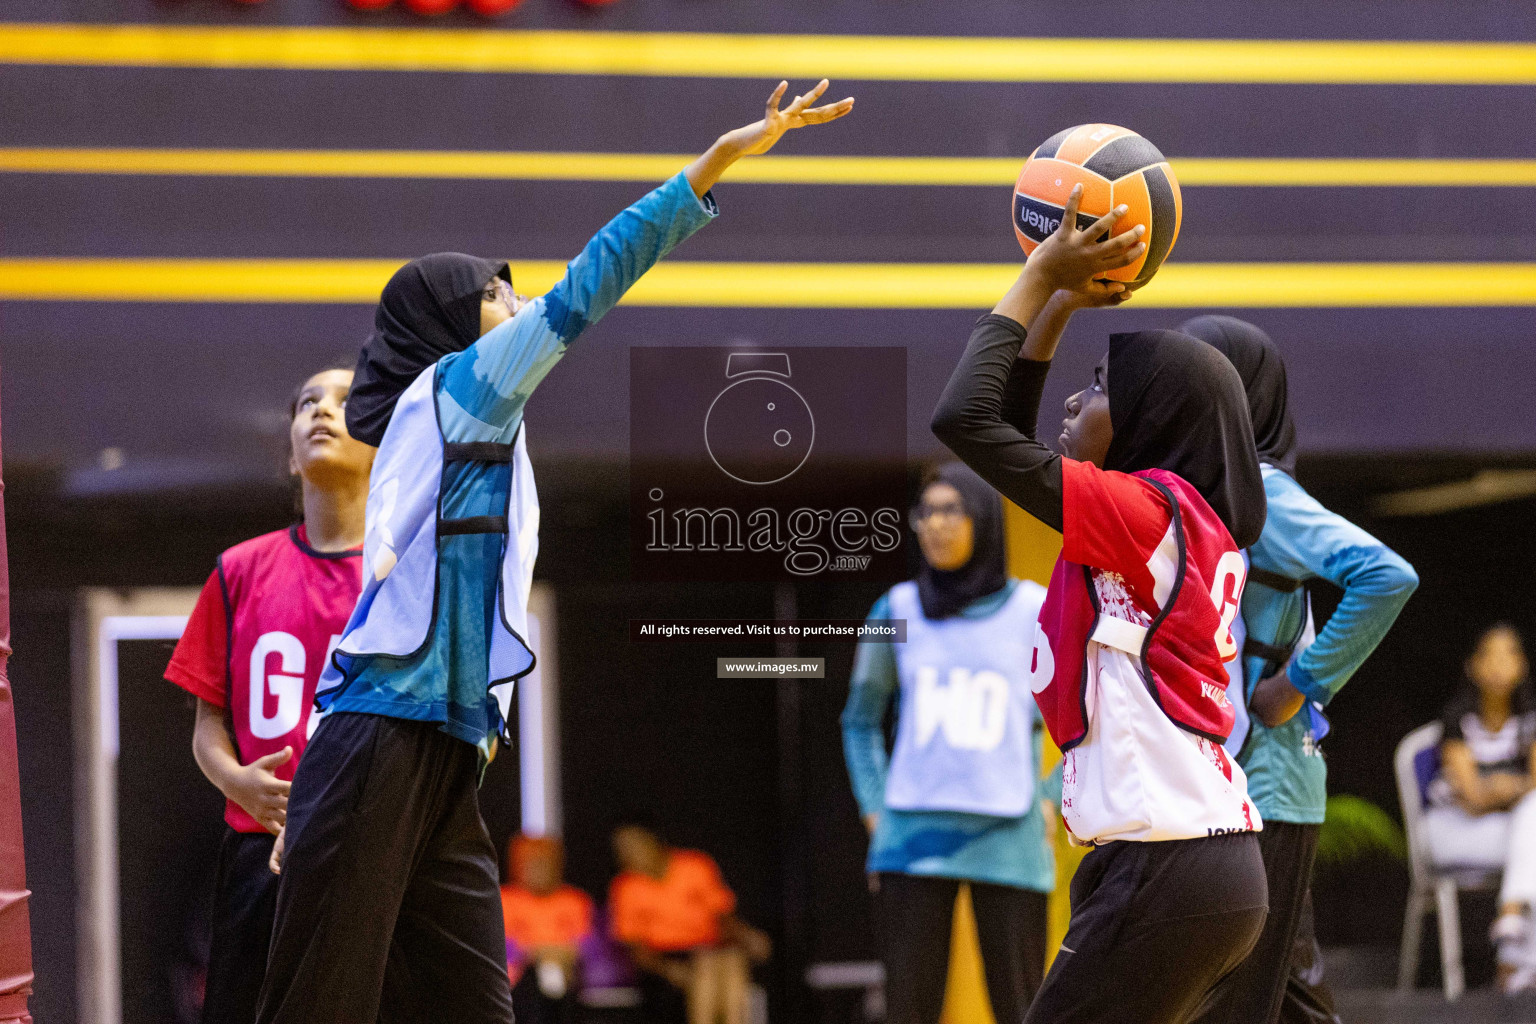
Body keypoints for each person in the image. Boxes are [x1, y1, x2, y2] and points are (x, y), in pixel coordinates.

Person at [255, 81, 854, 1024]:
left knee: (471, 1003)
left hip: (446, 747)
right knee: (319, 999)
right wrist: (715, 164)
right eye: (497, 291)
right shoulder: (466, 382)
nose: (519, 298)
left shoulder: (463, 410)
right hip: (385, 731)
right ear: (456, 320)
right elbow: (595, 277)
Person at [931, 184, 1270, 1024]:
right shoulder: (1165, 517)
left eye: (1099, 388)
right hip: (1186, 864)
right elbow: (1004, 430)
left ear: (1154, 421)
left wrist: (1041, 273)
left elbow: (964, 418)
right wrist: (1057, 303)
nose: (1074, 403)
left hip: (1170, 864)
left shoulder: (1143, 512)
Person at [1178, 315, 1418, 1024]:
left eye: (1199, 371)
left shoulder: (1265, 495)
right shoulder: (1209, 490)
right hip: (1243, 783)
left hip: (1264, 785)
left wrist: (1298, 684)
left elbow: (1387, 575)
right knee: (1292, 997)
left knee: (1244, 999)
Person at [163, 366, 371, 1024]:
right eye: (307, 402)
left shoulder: (404, 577)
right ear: (288, 454)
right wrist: (237, 783)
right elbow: (207, 726)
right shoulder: (238, 570)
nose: (320, 412)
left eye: (344, 401)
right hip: (258, 850)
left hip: (367, 849)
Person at [840, 460, 1056, 1024]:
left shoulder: (1033, 609)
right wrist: (874, 811)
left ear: (983, 519)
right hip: (912, 837)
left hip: (1009, 834)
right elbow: (860, 721)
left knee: (1024, 1008)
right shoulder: (898, 610)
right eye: (925, 512)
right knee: (909, 1009)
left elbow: (1090, 716)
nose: (935, 525)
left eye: (950, 510)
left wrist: (1054, 795)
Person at [1423, 622, 1536, 992]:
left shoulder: (1529, 721)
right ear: (1473, 665)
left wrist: (1505, 789)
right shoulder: (1457, 717)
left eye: (1509, 655)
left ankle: (1511, 954)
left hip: (1509, 832)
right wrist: (1511, 789)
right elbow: (1471, 798)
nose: (1499, 665)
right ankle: (1512, 942)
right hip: (1452, 828)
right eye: (1490, 654)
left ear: (1522, 666)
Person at [608, 824, 771, 1024]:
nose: (630, 854)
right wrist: (669, 969)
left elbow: (722, 915)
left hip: (709, 950)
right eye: (623, 849)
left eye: (634, 845)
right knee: (707, 971)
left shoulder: (695, 865)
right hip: (664, 959)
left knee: (729, 961)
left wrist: (746, 936)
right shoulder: (626, 887)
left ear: (654, 843)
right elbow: (636, 949)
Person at [501, 835, 596, 1024]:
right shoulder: (503, 899)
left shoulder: (575, 900)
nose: (537, 869)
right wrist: (537, 953)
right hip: (517, 984)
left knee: (557, 977)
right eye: (531, 862)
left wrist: (547, 953)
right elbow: (504, 948)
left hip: (566, 977)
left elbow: (585, 947)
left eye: (544, 862)